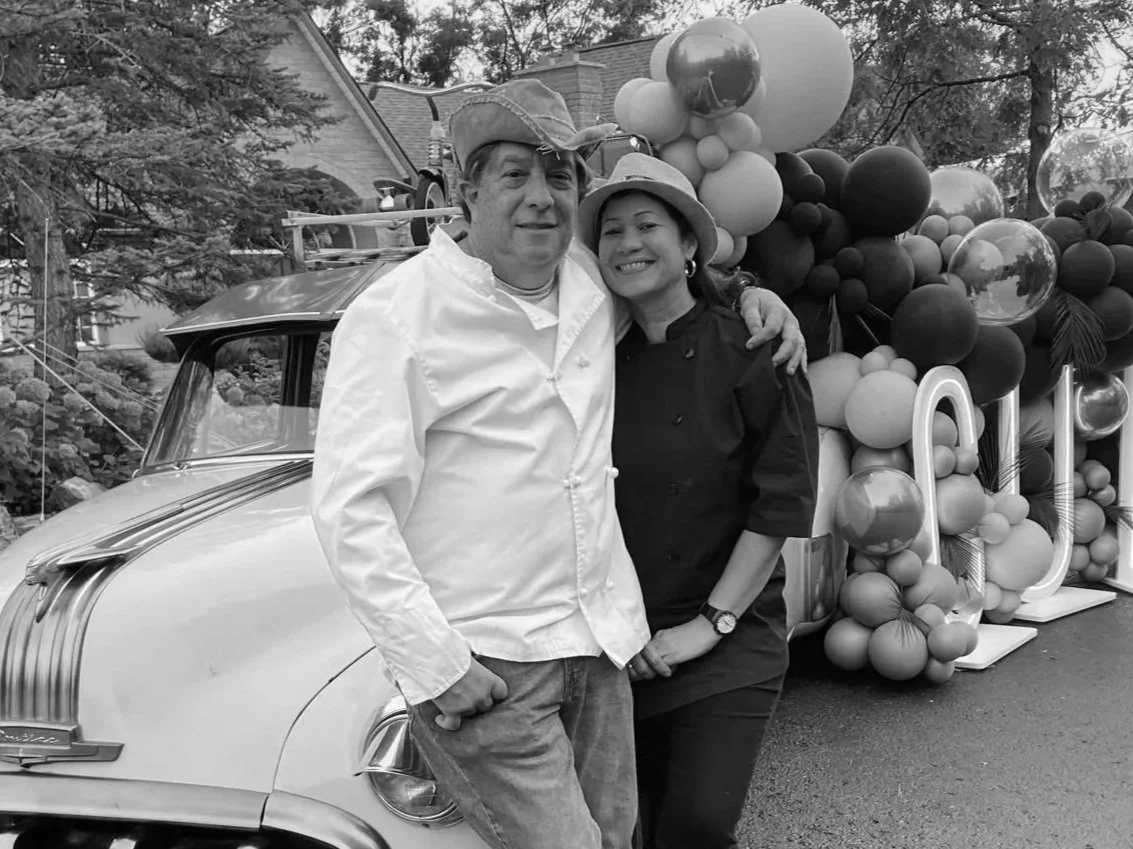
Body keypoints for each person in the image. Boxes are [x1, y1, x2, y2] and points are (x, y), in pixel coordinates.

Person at [310, 79, 805, 849]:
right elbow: (349, 509)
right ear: (463, 193)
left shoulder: (587, 284)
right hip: (490, 661)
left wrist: (750, 293)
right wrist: (436, 664)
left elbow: (668, 275)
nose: (541, 197)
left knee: (619, 836)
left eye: (559, 175)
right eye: (514, 174)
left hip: (600, 647)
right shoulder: (394, 317)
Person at [577, 153, 820, 849]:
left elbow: (779, 503)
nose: (628, 244)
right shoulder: (592, 357)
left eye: (647, 224)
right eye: (611, 231)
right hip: (617, 639)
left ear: (687, 242)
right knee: (626, 828)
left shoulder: (757, 345)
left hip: (726, 635)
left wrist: (708, 624)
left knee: (696, 825)